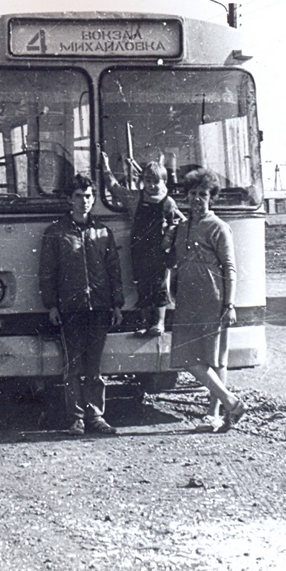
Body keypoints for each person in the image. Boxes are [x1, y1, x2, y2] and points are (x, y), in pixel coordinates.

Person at [39, 174, 124, 436]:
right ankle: (76, 419)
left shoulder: (103, 232)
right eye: (78, 196)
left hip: (99, 307)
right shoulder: (56, 232)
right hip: (70, 307)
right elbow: (47, 272)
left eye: (88, 196)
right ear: (69, 200)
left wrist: (116, 304)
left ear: (94, 199)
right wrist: (51, 305)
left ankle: (96, 416)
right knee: (73, 367)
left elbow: (113, 270)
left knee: (95, 367)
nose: (84, 201)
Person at [169, 167, 245, 432]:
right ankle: (230, 402)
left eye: (203, 194)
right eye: (193, 193)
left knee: (214, 359)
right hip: (186, 298)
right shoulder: (181, 227)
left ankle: (215, 414)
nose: (197, 199)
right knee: (186, 355)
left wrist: (230, 304)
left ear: (211, 197)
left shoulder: (219, 227)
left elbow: (230, 268)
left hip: (212, 299)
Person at [100, 152, 184, 336]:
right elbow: (114, 188)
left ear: (164, 182)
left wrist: (169, 236)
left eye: (156, 181)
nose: (152, 185)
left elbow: (178, 222)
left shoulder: (168, 202)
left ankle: (159, 322)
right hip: (139, 248)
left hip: (160, 249)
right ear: (142, 181)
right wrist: (105, 166)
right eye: (148, 181)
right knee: (142, 285)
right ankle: (144, 321)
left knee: (160, 285)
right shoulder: (135, 198)